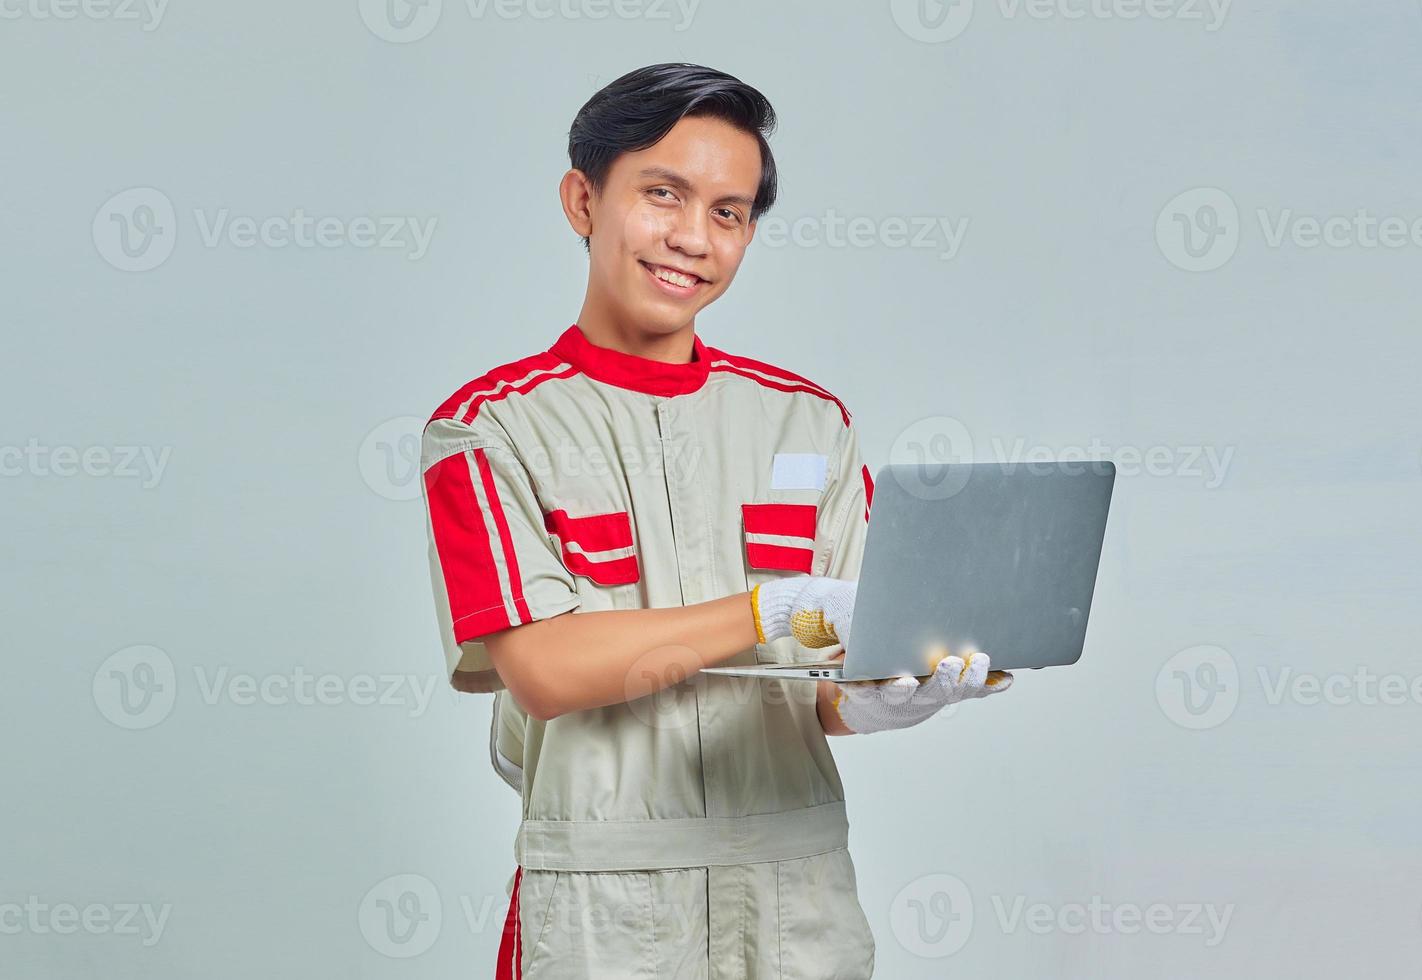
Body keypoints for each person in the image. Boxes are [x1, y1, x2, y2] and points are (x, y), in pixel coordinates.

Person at [418, 63, 1014, 980]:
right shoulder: (491, 427)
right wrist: (768, 609)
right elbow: (542, 671)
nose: (694, 238)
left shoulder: (810, 423)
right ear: (583, 199)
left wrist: (891, 697)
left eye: (729, 213)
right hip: (607, 914)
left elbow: (824, 682)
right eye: (664, 195)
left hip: (797, 902)